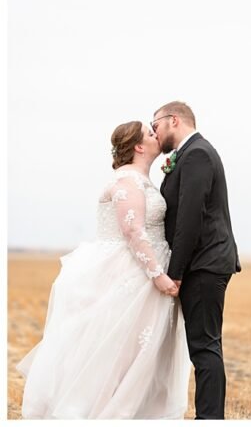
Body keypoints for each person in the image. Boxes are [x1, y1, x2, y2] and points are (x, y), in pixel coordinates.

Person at [17, 121, 190, 419]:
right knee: (117, 351)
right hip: (130, 274)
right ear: (138, 146)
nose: (156, 135)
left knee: (141, 354)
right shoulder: (127, 181)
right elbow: (133, 231)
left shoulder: (142, 180)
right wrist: (158, 276)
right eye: (150, 133)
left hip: (143, 275)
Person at [151, 101, 241, 419]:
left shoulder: (197, 154)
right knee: (203, 347)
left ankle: (210, 419)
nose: (153, 133)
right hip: (203, 262)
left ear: (173, 120)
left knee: (204, 348)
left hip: (205, 263)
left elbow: (190, 218)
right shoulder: (189, 155)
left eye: (156, 125)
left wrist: (174, 273)